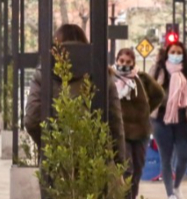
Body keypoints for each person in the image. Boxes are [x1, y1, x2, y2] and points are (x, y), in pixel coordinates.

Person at [24, 25, 126, 167]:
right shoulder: (101, 73)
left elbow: (31, 120)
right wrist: (119, 163)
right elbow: (115, 123)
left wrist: (51, 146)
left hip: (55, 163)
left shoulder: (43, 72)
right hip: (95, 163)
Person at [112, 47, 165, 199]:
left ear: (133, 62)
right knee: (127, 169)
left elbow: (159, 94)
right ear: (116, 61)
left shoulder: (141, 79)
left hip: (141, 131)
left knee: (138, 169)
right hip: (121, 132)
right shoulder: (111, 78)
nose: (124, 65)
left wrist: (146, 110)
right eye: (121, 61)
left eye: (128, 62)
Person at [149, 40, 187, 199]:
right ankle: (170, 196)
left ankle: (176, 186)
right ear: (167, 53)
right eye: (172, 52)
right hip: (161, 119)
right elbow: (148, 91)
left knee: (184, 155)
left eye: (179, 52)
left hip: (182, 119)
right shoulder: (158, 70)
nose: (176, 55)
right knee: (166, 157)